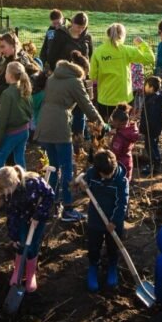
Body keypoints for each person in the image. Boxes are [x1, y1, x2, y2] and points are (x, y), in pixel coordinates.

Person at [37, 60, 103, 221]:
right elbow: (86, 105)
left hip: (44, 123)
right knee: (67, 167)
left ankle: (52, 203)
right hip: (59, 126)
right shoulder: (75, 81)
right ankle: (67, 208)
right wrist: (101, 123)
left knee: (53, 166)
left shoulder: (53, 77)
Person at [77, 148, 128, 291]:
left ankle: (112, 266)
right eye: (103, 174)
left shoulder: (121, 181)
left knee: (113, 246)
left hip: (113, 220)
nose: (106, 177)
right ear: (96, 169)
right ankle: (93, 266)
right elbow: (85, 189)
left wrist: (115, 221)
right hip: (95, 218)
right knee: (94, 245)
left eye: (108, 174)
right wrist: (82, 187)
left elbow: (122, 203)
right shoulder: (91, 174)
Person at [1, 163, 56, 295]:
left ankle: (30, 275)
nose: (5, 192)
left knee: (32, 247)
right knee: (21, 243)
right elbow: (11, 216)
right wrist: (13, 237)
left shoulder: (34, 183)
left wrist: (38, 215)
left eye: (5, 189)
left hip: (37, 219)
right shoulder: (8, 193)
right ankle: (17, 270)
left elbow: (50, 196)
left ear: (14, 182)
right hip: (21, 219)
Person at [88, 23, 156, 121]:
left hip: (105, 98)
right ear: (122, 36)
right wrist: (142, 44)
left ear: (107, 35)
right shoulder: (127, 50)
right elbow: (150, 58)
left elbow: (93, 75)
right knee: (124, 127)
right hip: (125, 97)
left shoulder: (98, 51)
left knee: (105, 127)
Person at [0, 61, 34, 171]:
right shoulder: (25, 89)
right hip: (24, 130)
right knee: (19, 158)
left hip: (12, 133)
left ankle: (0, 181)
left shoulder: (7, 94)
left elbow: (2, 119)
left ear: (9, 75)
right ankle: (23, 181)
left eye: (5, 73)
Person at [0, 32, 39, 105]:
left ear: (12, 45)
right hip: (3, 102)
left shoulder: (22, 61)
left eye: (3, 47)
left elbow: (22, 87)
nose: (1, 50)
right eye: (0, 47)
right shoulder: (6, 58)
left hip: (14, 106)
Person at [140, 75, 162, 175]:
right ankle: (155, 163)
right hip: (155, 128)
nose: (144, 87)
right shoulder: (156, 97)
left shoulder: (153, 101)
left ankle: (154, 166)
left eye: (146, 85)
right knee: (153, 145)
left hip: (151, 128)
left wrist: (145, 128)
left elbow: (151, 117)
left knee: (150, 146)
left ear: (151, 87)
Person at [107, 103, 141, 181]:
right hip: (128, 160)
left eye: (113, 121)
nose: (112, 123)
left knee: (119, 184)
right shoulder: (130, 129)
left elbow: (115, 154)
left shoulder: (119, 138)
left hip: (120, 165)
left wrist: (109, 147)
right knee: (126, 182)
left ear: (117, 123)